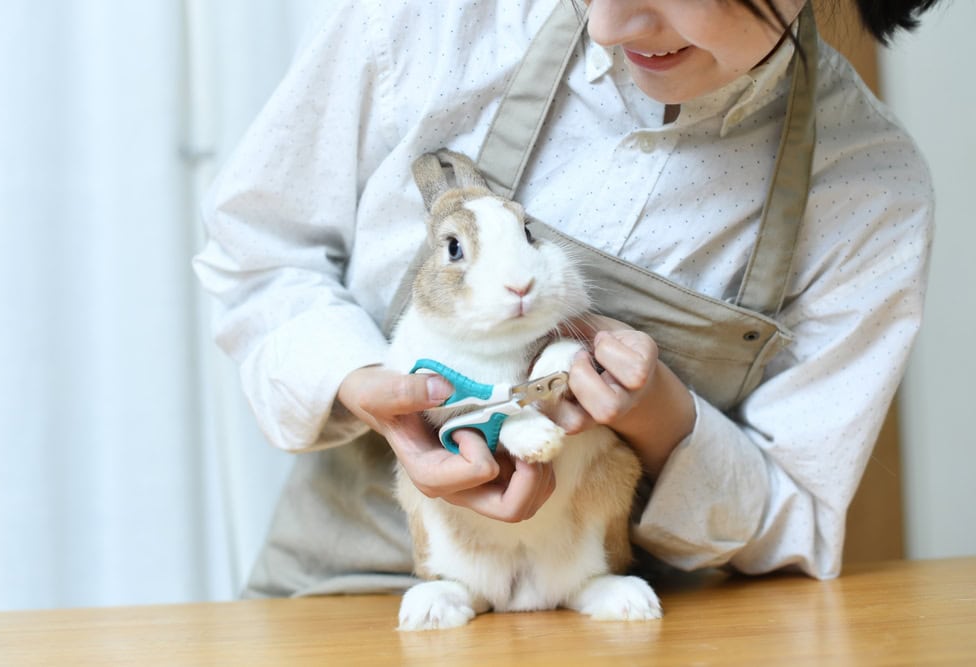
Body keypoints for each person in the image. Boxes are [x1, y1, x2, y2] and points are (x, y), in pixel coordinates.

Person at [194, 0, 943, 598]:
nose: (608, 24)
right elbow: (257, 253)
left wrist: (663, 421)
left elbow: (799, 520)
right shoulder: (435, 18)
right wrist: (371, 390)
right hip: (345, 596)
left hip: (623, 618)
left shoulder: (866, 191)